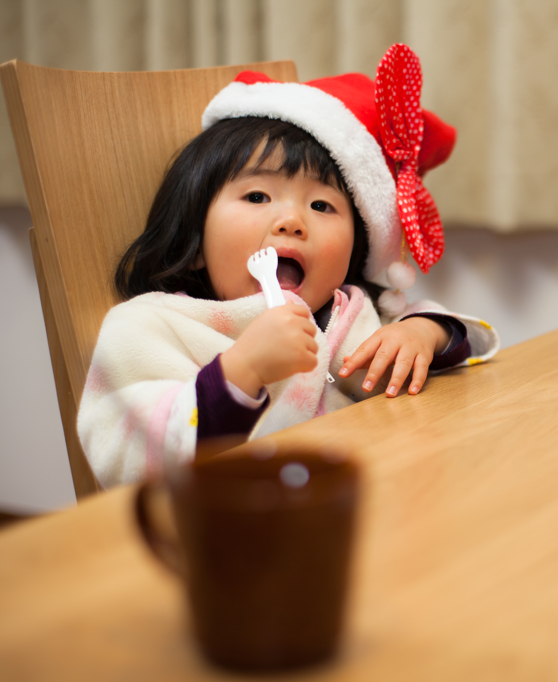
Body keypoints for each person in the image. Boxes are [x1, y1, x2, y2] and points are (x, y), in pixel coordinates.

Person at [78, 44, 499, 488]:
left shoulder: (349, 314)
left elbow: (467, 342)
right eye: (257, 196)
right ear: (196, 237)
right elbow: (118, 452)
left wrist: (423, 334)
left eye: (321, 205)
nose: (292, 222)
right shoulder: (151, 326)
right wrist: (240, 374)